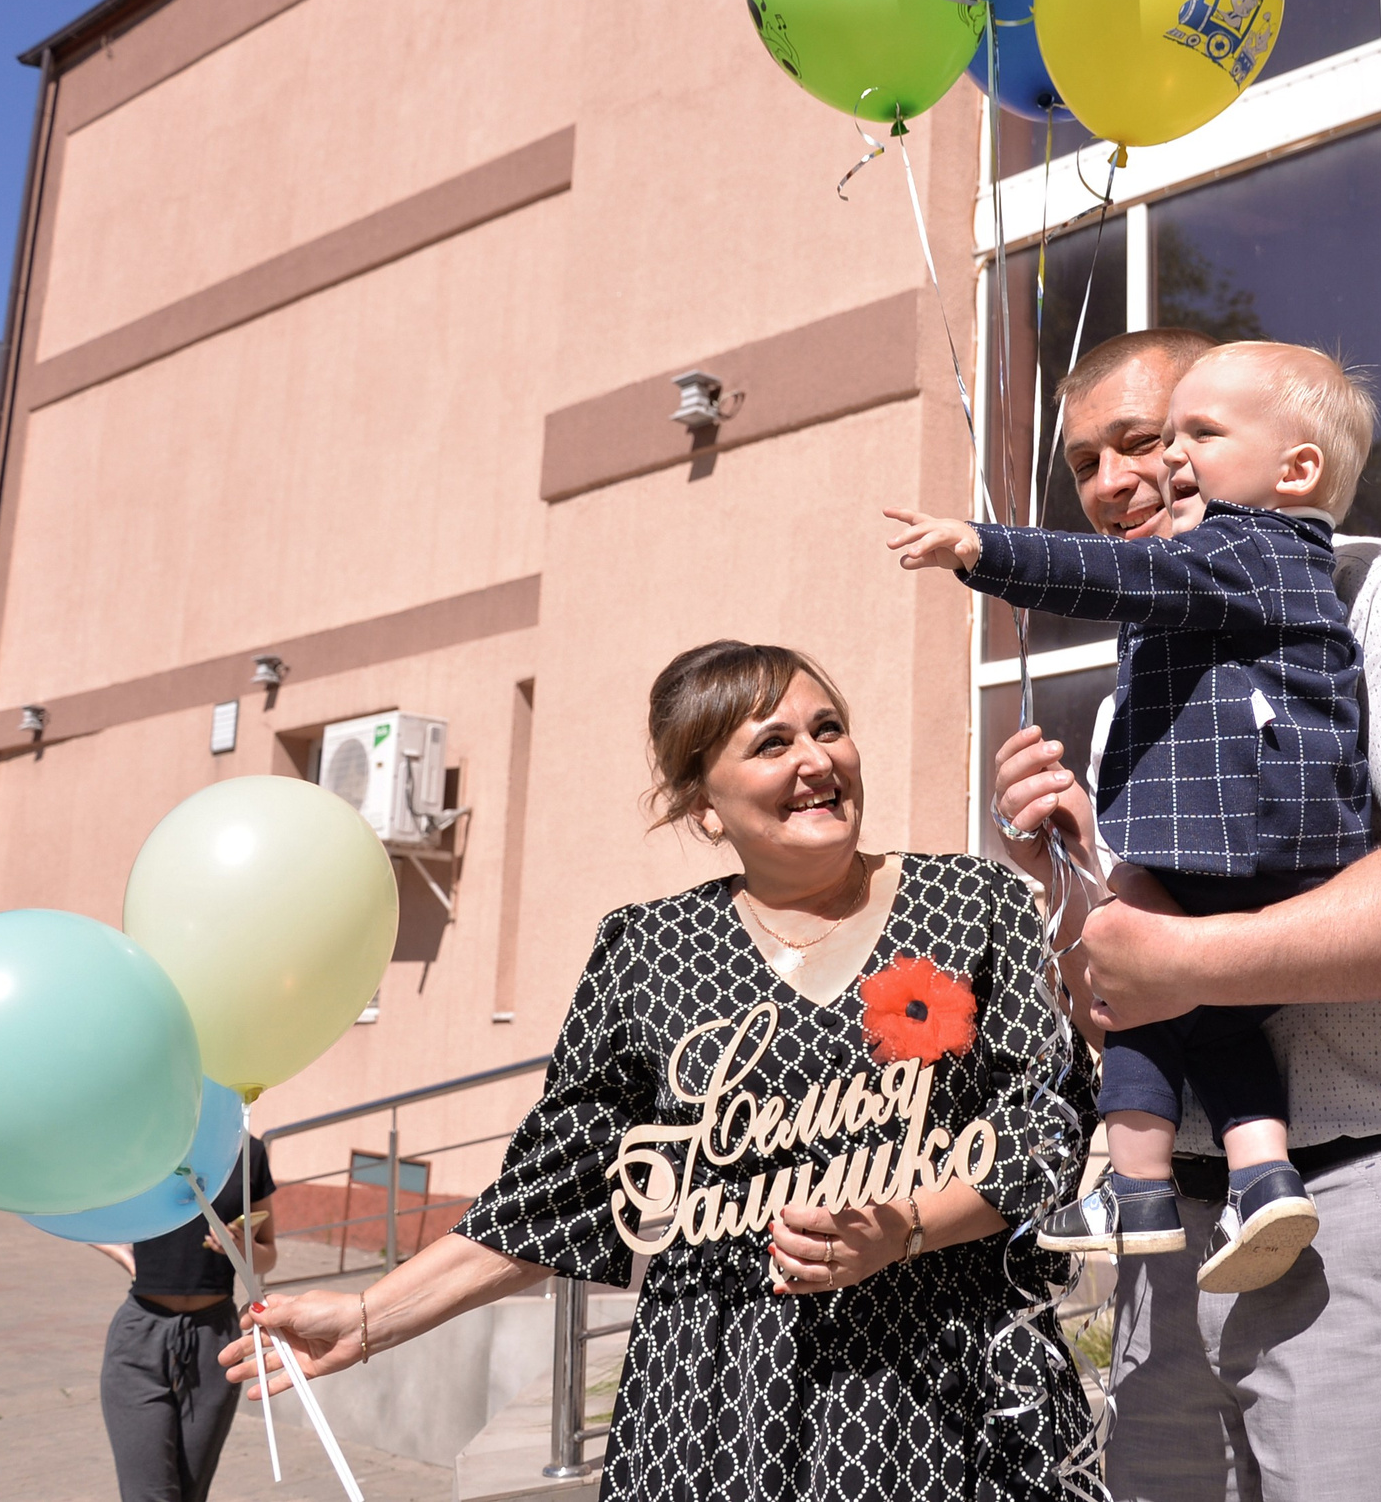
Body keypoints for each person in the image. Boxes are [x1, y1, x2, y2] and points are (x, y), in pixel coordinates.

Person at [226, 642, 1099, 1501]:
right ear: (704, 806)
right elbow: (555, 1200)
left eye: (828, 728)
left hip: (946, 1383)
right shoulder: (645, 952)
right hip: (713, 1405)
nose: (816, 760)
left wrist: (902, 1226)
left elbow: (1049, 1127)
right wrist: (368, 1318)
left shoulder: (972, 903)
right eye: (773, 743)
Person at [986, 328, 1381, 1502]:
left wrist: (1190, 956)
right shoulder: (1138, 683)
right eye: (1085, 461)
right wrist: (1068, 881)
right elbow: (1119, 997)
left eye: (1153, 437)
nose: (1116, 480)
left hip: (1369, 1202)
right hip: (1171, 1224)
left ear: (1269, 448)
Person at [887, 340, 1378, 1292]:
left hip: (1250, 865)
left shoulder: (1251, 549)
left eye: (1165, 439)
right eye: (1083, 463)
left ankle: (1138, 1188)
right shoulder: (1216, 604)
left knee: (1150, 984)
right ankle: (1257, 1177)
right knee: (1195, 1011)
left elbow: (1115, 575)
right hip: (1242, 872)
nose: (1135, 474)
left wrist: (985, 549)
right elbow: (1101, 988)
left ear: (1292, 467)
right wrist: (1069, 853)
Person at [91, 1136, 276, 1502]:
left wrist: (241, 1247)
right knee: (149, 1495)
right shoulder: (146, 1139)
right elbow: (75, 1210)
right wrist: (123, 1254)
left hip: (215, 1340)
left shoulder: (246, 1150)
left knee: (191, 1494)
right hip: (141, 1336)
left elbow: (268, 1254)